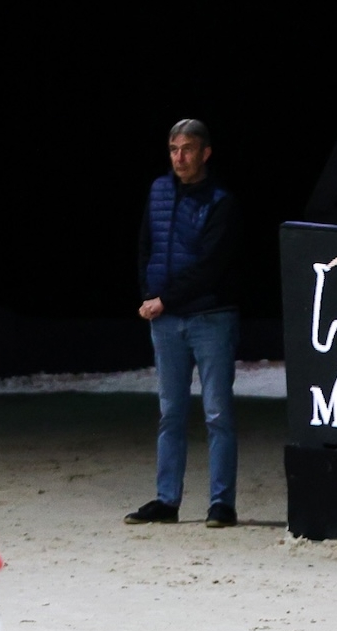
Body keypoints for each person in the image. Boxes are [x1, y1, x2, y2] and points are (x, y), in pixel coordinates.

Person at [125, 119, 241, 529]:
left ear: (205, 152)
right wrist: (146, 294)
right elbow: (145, 246)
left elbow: (211, 266)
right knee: (170, 412)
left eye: (188, 149)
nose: (179, 157)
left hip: (210, 318)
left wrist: (163, 299)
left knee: (217, 413)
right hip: (165, 319)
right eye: (174, 148)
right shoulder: (158, 191)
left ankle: (221, 503)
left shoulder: (221, 200)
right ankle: (166, 499)